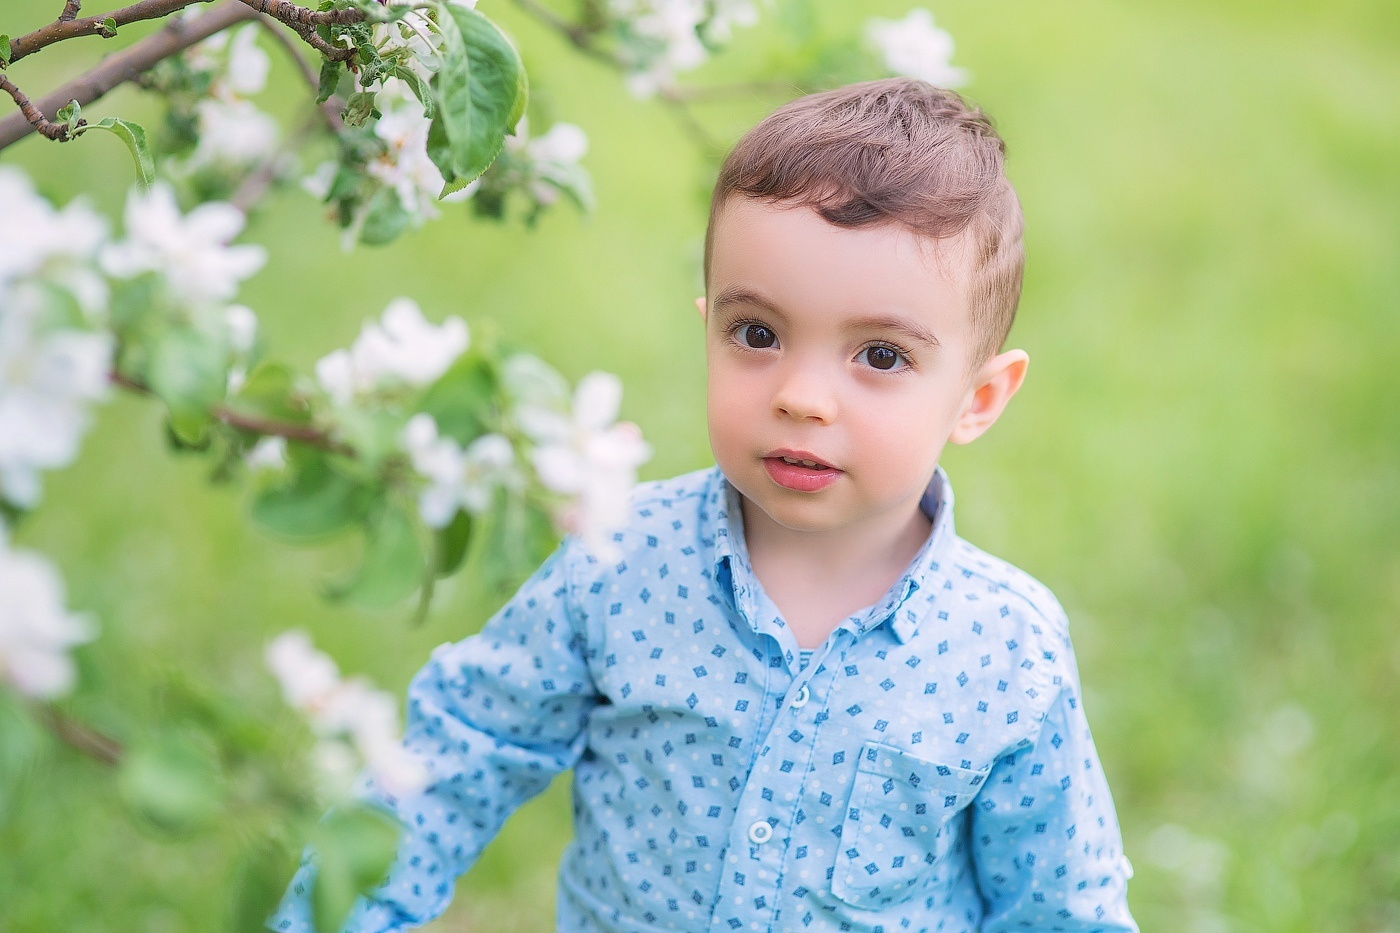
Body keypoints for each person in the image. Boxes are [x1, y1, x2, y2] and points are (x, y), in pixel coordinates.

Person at [270, 77, 1138, 933]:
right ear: (709, 328)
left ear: (978, 399)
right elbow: (458, 756)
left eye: (879, 355)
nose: (802, 396)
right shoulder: (620, 560)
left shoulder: (1003, 649)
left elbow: (1062, 905)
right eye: (756, 334)